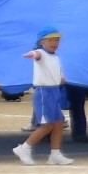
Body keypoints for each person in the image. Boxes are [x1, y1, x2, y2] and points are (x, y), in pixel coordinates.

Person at [16, 27, 75, 166]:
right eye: (50, 40)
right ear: (42, 42)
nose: (54, 43)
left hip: (55, 91)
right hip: (44, 92)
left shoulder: (56, 57)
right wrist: (32, 54)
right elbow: (36, 54)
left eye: (56, 40)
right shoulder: (41, 53)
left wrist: (61, 78)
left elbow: (58, 74)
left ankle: (55, 154)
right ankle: (24, 148)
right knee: (47, 125)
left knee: (59, 123)